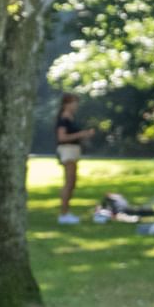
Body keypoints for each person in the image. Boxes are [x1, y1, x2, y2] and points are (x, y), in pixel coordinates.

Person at [55, 93, 95, 224]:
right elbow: (62, 137)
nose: (75, 105)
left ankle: (66, 212)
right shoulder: (63, 119)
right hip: (67, 151)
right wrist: (81, 134)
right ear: (66, 104)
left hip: (73, 151)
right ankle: (64, 214)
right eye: (73, 103)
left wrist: (85, 135)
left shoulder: (71, 118)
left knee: (72, 183)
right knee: (69, 182)